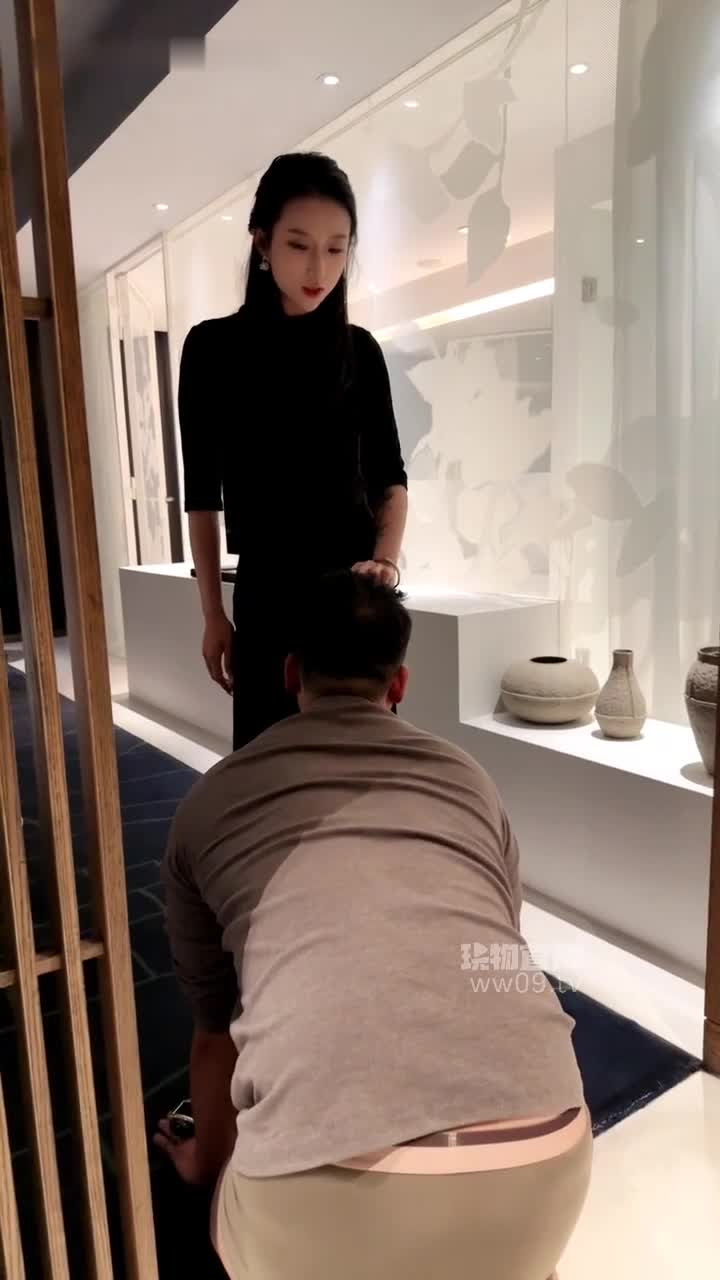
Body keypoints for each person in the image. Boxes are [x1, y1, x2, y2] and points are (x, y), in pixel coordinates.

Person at [156, 571, 591, 1280]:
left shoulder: (207, 804)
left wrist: (207, 1163)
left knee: (224, 1217)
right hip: (549, 1154)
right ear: (400, 683)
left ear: (290, 673)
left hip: (322, 1197)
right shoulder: (470, 778)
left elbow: (213, 1034)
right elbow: (496, 945)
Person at [178, 151, 408, 750]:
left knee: (354, 767)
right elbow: (201, 497)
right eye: (299, 245)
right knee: (269, 761)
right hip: (267, 598)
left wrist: (386, 563)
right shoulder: (211, 350)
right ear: (262, 242)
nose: (319, 268)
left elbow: (390, 478)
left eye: (336, 248)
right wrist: (212, 613)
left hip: (353, 603)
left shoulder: (360, 352)